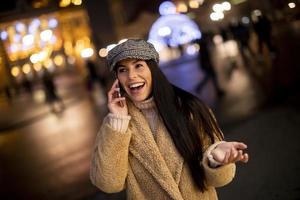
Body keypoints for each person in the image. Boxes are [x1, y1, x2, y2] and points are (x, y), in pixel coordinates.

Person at [90, 39, 249, 199]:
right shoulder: (115, 126)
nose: (131, 76)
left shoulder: (189, 108)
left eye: (138, 66)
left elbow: (218, 180)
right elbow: (108, 183)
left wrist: (215, 159)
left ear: (153, 69)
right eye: (123, 70)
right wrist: (118, 121)